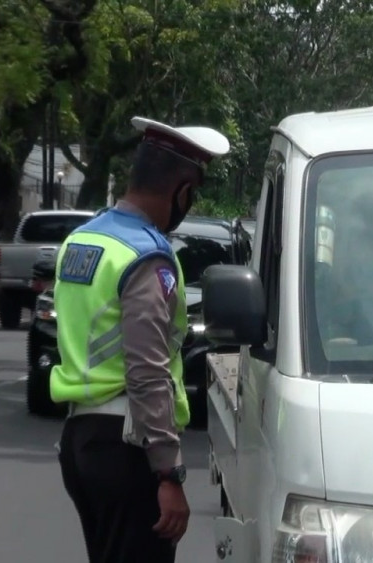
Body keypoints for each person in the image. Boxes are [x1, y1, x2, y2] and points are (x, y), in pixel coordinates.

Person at [50, 116, 229, 563]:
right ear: (182, 191)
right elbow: (148, 369)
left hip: (80, 440)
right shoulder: (146, 256)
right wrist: (169, 473)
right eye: (192, 194)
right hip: (129, 449)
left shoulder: (82, 241)